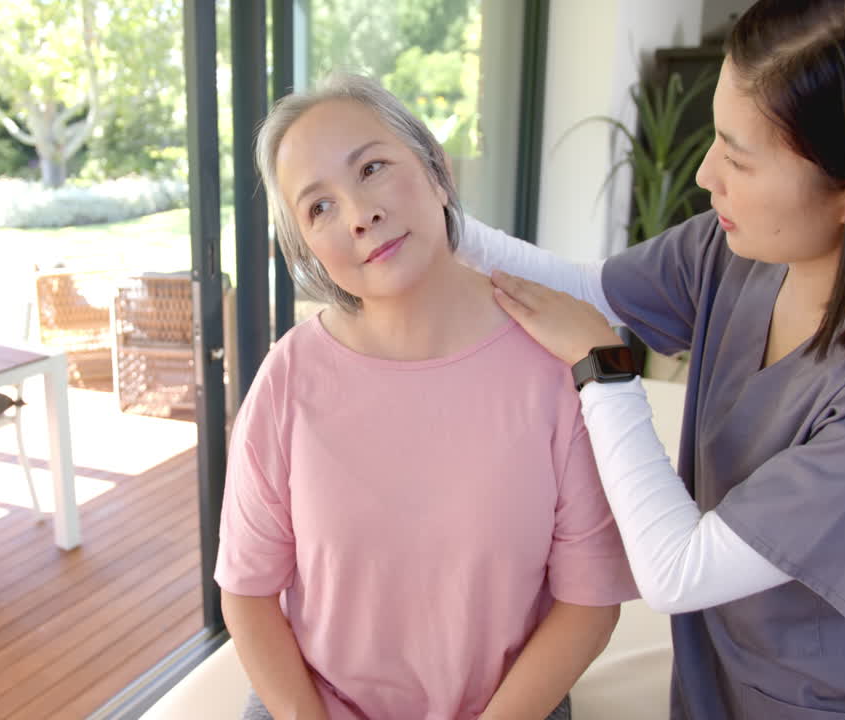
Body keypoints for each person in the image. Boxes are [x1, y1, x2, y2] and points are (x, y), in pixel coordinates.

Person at [458, 0, 845, 717]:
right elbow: (588, 292)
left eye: (738, 157)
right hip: (712, 684)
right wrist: (432, 221)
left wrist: (604, 371)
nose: (707, 174)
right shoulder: (744, 250)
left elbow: (677, 572)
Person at [214, 74, 637, 720]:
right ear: (308, 254)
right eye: (319, 208)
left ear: (438, 170)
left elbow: (589, 602)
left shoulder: (555, 364)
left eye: (372, 168)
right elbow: (246, 592)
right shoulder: (288, 378)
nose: (359, 215)